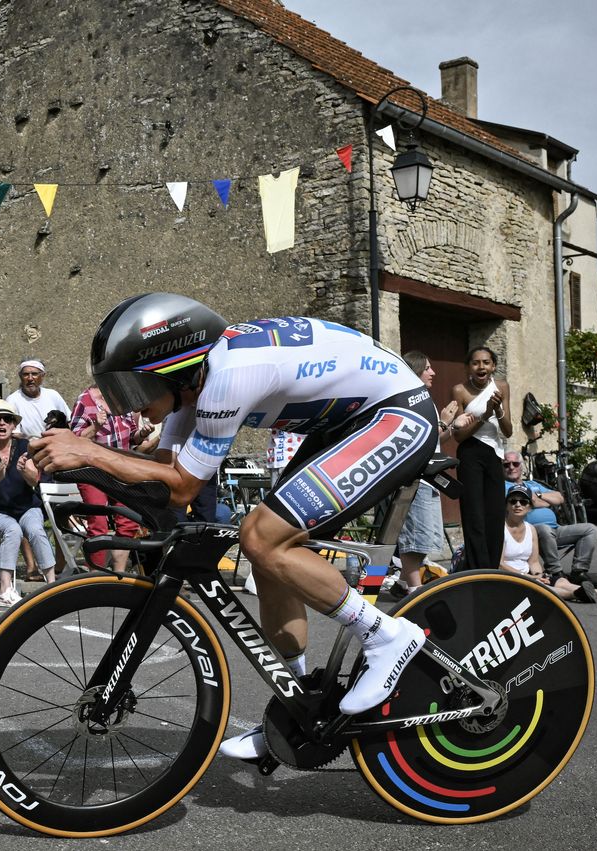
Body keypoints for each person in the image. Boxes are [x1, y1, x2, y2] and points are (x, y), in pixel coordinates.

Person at [32, 295, 437, 764]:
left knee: (262, 536)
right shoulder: (192, 390)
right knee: (269, 555)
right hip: (346, 424)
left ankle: (387, 635)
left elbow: (182, 488)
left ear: (176, 371)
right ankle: (300, 708)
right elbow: (158, 482)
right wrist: (74, 468)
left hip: (397, 414)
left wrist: (89, 453)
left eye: (137, 389)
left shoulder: (227, 378)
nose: (134, 407)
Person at [395, 351, 468, 593]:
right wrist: (444, 422)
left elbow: (435, 440)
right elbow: (417, 439)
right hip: (416, 478)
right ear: (415, 370)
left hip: (429, 479)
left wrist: (452, 425)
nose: (432, 372)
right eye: (427, 368)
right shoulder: (409, 400)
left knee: (425, 536)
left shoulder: (426, 401)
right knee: (416, 537)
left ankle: (402, 582)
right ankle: (415, 590)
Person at [0, 402, 56, 607]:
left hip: (26, 507)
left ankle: (52, 587)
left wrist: (23, 471)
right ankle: (5, 591)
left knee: (35, 528)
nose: (2, 423)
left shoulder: (24, 447)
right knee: (12, 530)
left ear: (13, 425)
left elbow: (35, 481)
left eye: (7, 419)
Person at [502, 484, 597, 602]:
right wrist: (529, 577)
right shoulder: (500, 529)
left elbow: (533, 562)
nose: (518, 505)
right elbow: (500, 563)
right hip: (509, 577)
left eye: (523, 502)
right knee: (545, 588)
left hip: (531, 571)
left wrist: (538, 575)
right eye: (513, 501)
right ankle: (576, 594)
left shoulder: (530, 529)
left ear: (530, 507)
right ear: (506, 505)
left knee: (561, 582)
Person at [69, 384, 152, 571]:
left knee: (128, 521)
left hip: (119, 468)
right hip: (92, 470)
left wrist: (142, 434)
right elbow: (75, 439)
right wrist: (95, 426)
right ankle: (96, 576)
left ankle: (118, 574)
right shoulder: (85, 400)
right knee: (98, 522)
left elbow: (131, 437)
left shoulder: (123, 400)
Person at [450, 347, 513, 570]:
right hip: (470, 453)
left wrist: (497, 411)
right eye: (476, 363)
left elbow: (508, 431)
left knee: (495, 514)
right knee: (474, 514)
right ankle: (477, 568)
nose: (481, 367)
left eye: (486, 362)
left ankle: (493, 569)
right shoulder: (460, 390)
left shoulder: (501, 387)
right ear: (469, 367)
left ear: (493, 366)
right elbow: (458, 436)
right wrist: (484, 414)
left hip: (494, 453)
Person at [502, 449, 597, 585]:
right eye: (506, 465)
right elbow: (532, 502)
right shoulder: (503, 487)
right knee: (543, 528)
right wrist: (541, 502)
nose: (511, 467)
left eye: (515, 464)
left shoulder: (533, 485)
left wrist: (540, 496)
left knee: (590, 529)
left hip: (556, 531)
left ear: (521, 466)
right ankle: (556, 573)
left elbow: (559, 498)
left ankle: (579, 572)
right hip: (532, 534)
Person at [4, 360, 69, 440]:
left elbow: (69, 421)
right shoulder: (12, 400)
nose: (30, 378)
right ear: (20, 376)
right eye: (26, 374)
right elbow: (14, 433)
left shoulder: (53, 395)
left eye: (34, 374)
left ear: (42, 376)